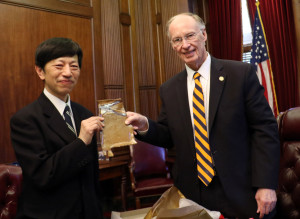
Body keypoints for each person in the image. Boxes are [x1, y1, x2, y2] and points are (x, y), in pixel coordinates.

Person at [125, 13, 280, 219]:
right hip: (193, 195)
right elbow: (168, 135)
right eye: (177, 40)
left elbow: (265, 130)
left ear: (204, 35)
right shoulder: (169, 89)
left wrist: (266, 185)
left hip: (243, 191)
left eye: (190, 36)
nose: (185, 45)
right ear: (172, 45)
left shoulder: (240, 74)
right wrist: (145, 125)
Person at [10, 37, 104, 219]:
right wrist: (81, 141)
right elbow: (43, 176)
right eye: (59, 66)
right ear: (40, 71)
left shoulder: (84, 113)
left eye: (74, 66)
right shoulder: (25, 119)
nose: (68, 73)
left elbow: (92, 176)